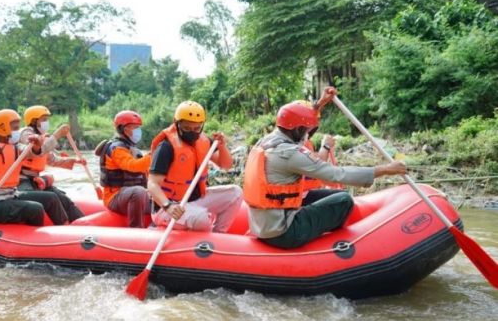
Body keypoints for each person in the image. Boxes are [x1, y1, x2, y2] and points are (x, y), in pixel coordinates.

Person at [243, 87, 407, 249]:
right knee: (344, 200)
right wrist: (385, 169)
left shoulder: (267, 141)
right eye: (305, 129)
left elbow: (300, 130)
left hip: (264, 224)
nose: (309, 132)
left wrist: (319, 105)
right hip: (283, 232)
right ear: (298, 129)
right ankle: (335, 247)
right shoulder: (290, 154)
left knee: (336, 194)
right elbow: (336, 174)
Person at [0, 109, 68, 226]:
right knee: (36, 209)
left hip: (11, 195)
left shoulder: (16, 148)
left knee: (51, 198)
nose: (18, 132)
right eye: (15, 129)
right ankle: (33, 240)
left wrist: (36, 147)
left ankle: (65, 230)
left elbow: (35, 153)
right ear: (2, 128)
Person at [148, 101, 243, 232]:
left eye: (197, 128)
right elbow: (152, 184)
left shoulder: (203, 142)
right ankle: (160, 225)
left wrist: (221, 146)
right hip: (170, 207)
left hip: (195, 200)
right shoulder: (166, 147)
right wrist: (168, 206)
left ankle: (218, 236)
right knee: (202, 218)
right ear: (177, 123)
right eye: (187, 128)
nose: (192, 132)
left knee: (235, 193)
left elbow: (225, 165)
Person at [17, 105, 85, 223]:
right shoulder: (26, 133)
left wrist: (74, 160)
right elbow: (38, 150)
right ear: (33, 121)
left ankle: (83, 224)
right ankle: (64, 226)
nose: (46, 123)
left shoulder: (43, 137)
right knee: (50, 198)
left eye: (47, 120)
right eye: (43, 120)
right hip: (22, 180)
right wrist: (57, 135)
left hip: (36, 179)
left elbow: (52, 159)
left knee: (63, 199)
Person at [97, 110, 151, 228]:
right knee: (138, 191)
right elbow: (132, 166)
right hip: (114, 197)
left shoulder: (132, 148)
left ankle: (159, 225)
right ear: (124, 129)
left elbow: (146, 173)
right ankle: (136, 229)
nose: (138, 131)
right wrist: (152, 156)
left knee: (162, 194)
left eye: (138, 127)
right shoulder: (117, 149)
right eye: (134, 127)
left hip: (131, 195)